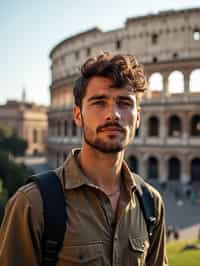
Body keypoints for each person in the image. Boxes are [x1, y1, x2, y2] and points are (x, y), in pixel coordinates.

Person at [0, 53, 168, 265]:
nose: (113, 114)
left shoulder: (151, 204)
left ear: (138, 118)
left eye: (124, 102)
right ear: (78, 115)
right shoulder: (32, 204)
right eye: (99, 103)